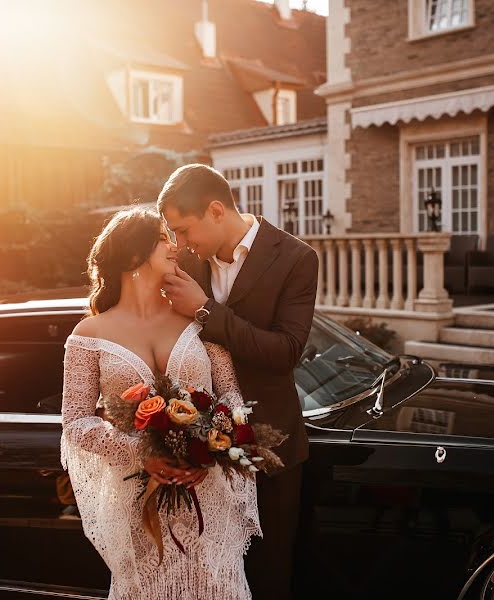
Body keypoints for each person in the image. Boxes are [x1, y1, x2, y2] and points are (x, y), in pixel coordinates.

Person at [60, 207, 260, 600]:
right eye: (163, 238)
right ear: (135, 256)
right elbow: (76, 421)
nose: (175, 247)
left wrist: (209, 451)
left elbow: (231, 395)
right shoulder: (88, 334)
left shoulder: (196, 320)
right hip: (137, 500)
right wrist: (140, 451)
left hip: (207, 495)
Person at [159, 164, 318, 600]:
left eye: (184, 230)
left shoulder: (297, 258)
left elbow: (285, 351)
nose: (180, 243)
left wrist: (205, 309)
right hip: (193, 448)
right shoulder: (186, 260)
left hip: (270, 448)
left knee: (268, 577)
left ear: (215, 210)